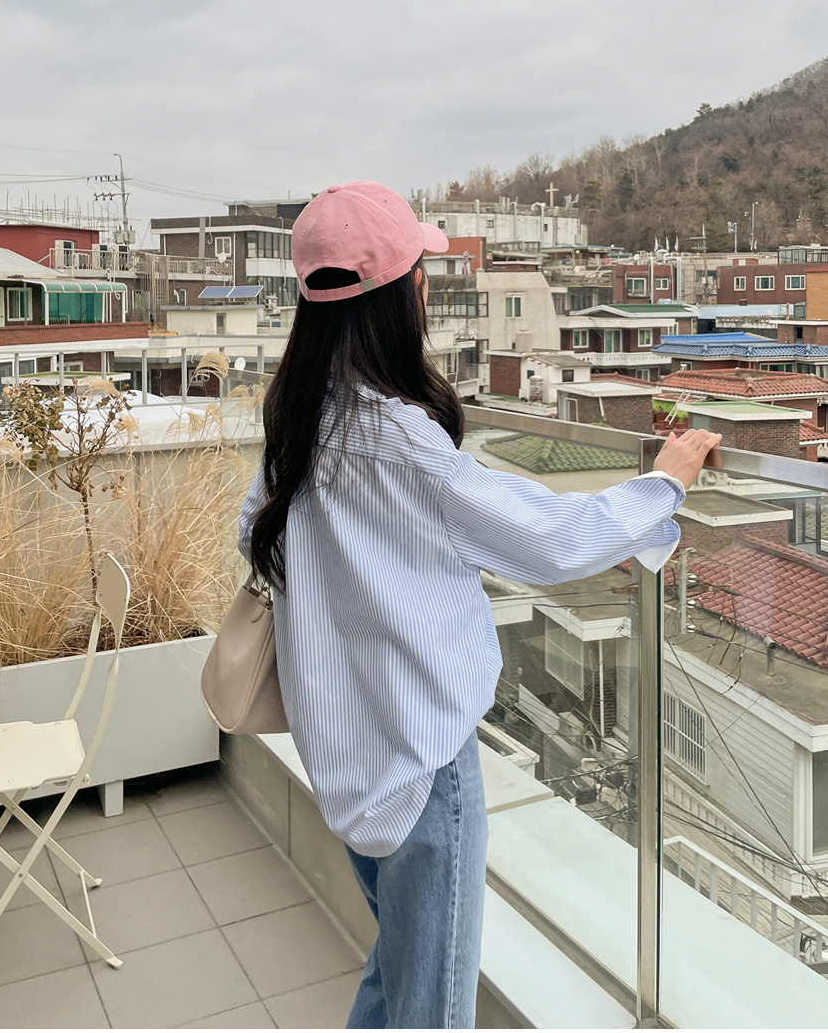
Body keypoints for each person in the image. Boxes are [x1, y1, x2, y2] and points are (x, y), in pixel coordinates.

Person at [238, 180, 720, 1030]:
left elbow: (256, 537)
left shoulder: (298, 420)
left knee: (397, 973)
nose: (426, 284)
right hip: (421, 764)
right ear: (399, 297)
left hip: (343, 752)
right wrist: (664, 483)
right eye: (418, 270)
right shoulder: (400, 439)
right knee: (431, 1007)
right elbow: (550, 539)